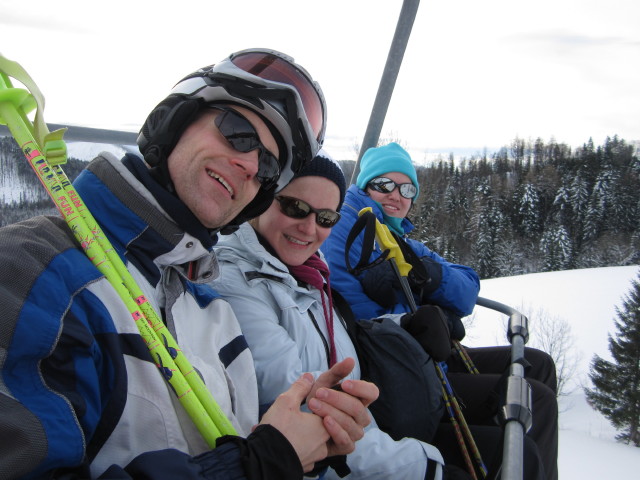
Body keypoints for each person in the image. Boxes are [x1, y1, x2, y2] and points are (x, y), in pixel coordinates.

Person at [0, 48, 378, 480]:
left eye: (269, 166)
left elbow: (236, 444)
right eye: (238, 132)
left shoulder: (211, 310)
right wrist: (258, 465)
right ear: (174, 121)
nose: (251, 164)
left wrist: (304, 437)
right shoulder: (31, 270)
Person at [211, 151, 545, 479]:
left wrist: (406, 323)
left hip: (371, 413)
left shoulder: (307, 270)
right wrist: (427, 469)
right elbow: (306, 420)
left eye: (326, 218)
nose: (310, 228)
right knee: (521, 444)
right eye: (295, 207)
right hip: (347, 447)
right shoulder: (241, 283)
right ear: (264, 198)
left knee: (530, 405)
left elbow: (342, 329)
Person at [320, 142, 558, 480]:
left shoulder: (398, 235)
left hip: (429, 355)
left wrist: (434, 277)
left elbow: (467, 289)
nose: (396, 195)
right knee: (538, 402)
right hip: (401, 370)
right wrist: (415, 318)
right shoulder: (350, 221)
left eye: (407, 188)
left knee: (539, 364)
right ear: (365, 185)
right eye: (384, 184)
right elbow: (352, 308)